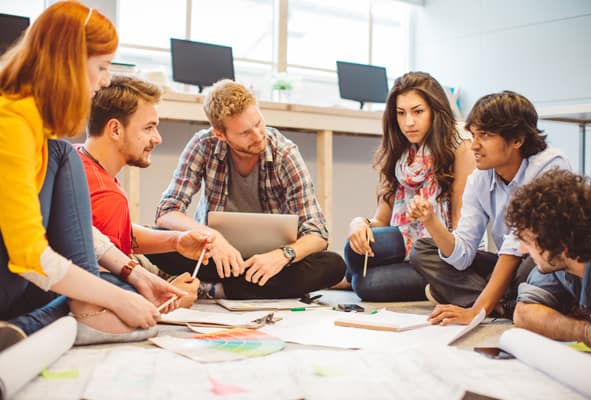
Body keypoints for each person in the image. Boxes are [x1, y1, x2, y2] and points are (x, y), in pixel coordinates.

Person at [0, 2, 184, 348]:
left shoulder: (33, 126)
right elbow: (31, 257)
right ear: (69, 63)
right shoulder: (11, 123)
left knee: (123, 289)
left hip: (19, 278)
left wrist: (131, 279)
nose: (105, 79)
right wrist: (115, 299)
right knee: (117, 293)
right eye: (101, 66)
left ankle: (48, 320)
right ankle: (80, 312)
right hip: (16, 271)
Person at [153, 79, 345, 299]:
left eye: (259, 123)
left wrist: (282, 255)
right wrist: (213, 237)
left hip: (268, 262)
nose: (258, 135)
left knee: (334, 265)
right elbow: (166, 211)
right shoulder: (203, 145)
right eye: (245, 132)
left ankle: (214, 289)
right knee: (159, 241)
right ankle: (250, 289)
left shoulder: (285, 154)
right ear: (220, 135)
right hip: (216, 256)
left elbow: (317, 233)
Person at [409, 90, 571, 325]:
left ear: (517, 139)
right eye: (473, 135)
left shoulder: (550, 165)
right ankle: (508, 306)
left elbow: (518, 246)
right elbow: (462, 256)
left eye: (484, 135)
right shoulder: (479, 178)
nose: (473, 145)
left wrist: (476, 310)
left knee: (531, 269)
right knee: (424, 250)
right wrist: (431, 222)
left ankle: (484, 301)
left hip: (540, 260)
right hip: (506, 263)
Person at [78, 75, 213, 308]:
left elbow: (114, 235)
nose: (157, 138)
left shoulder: (80, 158)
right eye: (149, 128)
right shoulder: (106, 195)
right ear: (115, 129)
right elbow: (101, 295)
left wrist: (176, 241)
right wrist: (172, 298)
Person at [343, 71, 475, 301]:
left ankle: (439, 284)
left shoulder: (460, 149)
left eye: (418, 112)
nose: (408, 122)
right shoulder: (399, 152)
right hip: (405, 242)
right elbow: (381, 222)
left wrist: (429, 218)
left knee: (367, 284)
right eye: (401, 113)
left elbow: (462, 231)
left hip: (439, 254)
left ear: (435, 111)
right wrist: (358, 224)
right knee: (352, 251)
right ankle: (355, 277)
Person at [506, 168, 591, 350]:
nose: (522, 250)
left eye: (527, 241)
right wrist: (584, 332)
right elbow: (524, 313)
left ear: (559, 245)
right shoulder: (559, 267)